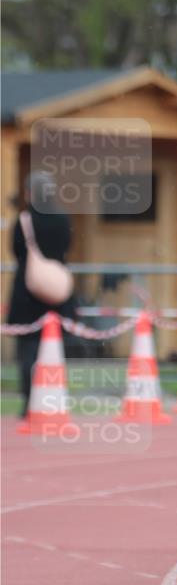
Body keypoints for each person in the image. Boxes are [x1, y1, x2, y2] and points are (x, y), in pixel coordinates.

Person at [6, 172, 76, 417]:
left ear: (30, 193)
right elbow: (67, 246)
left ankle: (29, 402)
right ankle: (52, 400)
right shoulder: (61, 218)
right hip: (57, 293)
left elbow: (15, 250)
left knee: (28, 350)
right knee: (54, 349)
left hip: (27, 293)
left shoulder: (25, 219)